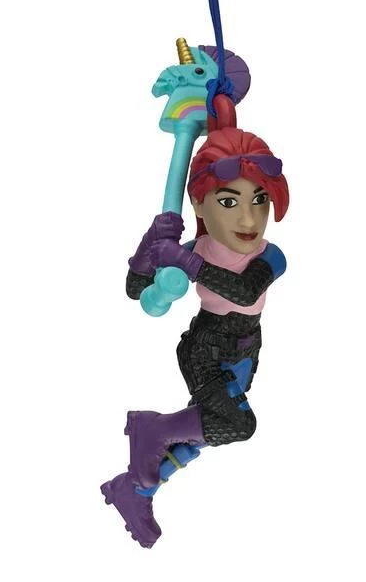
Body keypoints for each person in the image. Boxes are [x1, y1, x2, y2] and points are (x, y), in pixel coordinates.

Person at [100, 126, 289, 547]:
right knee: (237, 424)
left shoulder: (270, 255)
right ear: (200, 202)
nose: (248, 219)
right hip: (206, 349)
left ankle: (136, 489)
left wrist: (186, 262)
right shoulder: (196, 249)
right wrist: (149, 247)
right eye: (229, 201)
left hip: (246, 350)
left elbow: (245, 290)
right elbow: (137, 290)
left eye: (260, 199)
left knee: (203, 431)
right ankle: (150, 430)